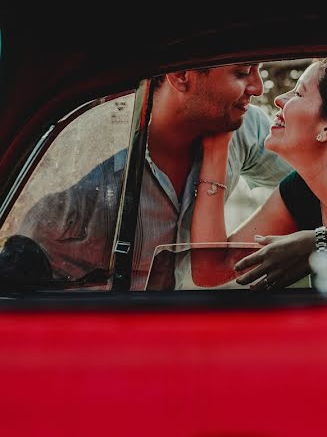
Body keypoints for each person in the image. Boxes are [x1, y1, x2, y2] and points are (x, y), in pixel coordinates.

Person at [17, 63, 293, 290]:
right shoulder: (88, 151)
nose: (257, 87)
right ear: (182, 74)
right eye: (242, 73)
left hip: (175, 332)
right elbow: (23, 265)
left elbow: (318, 177)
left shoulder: (245, 126)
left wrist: (319, 241)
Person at [190, 55, 327, 294]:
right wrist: (218, 145)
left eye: (298, 94)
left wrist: (320, 242)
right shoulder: (300, 192)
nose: (279, 99)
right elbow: (211, 270)